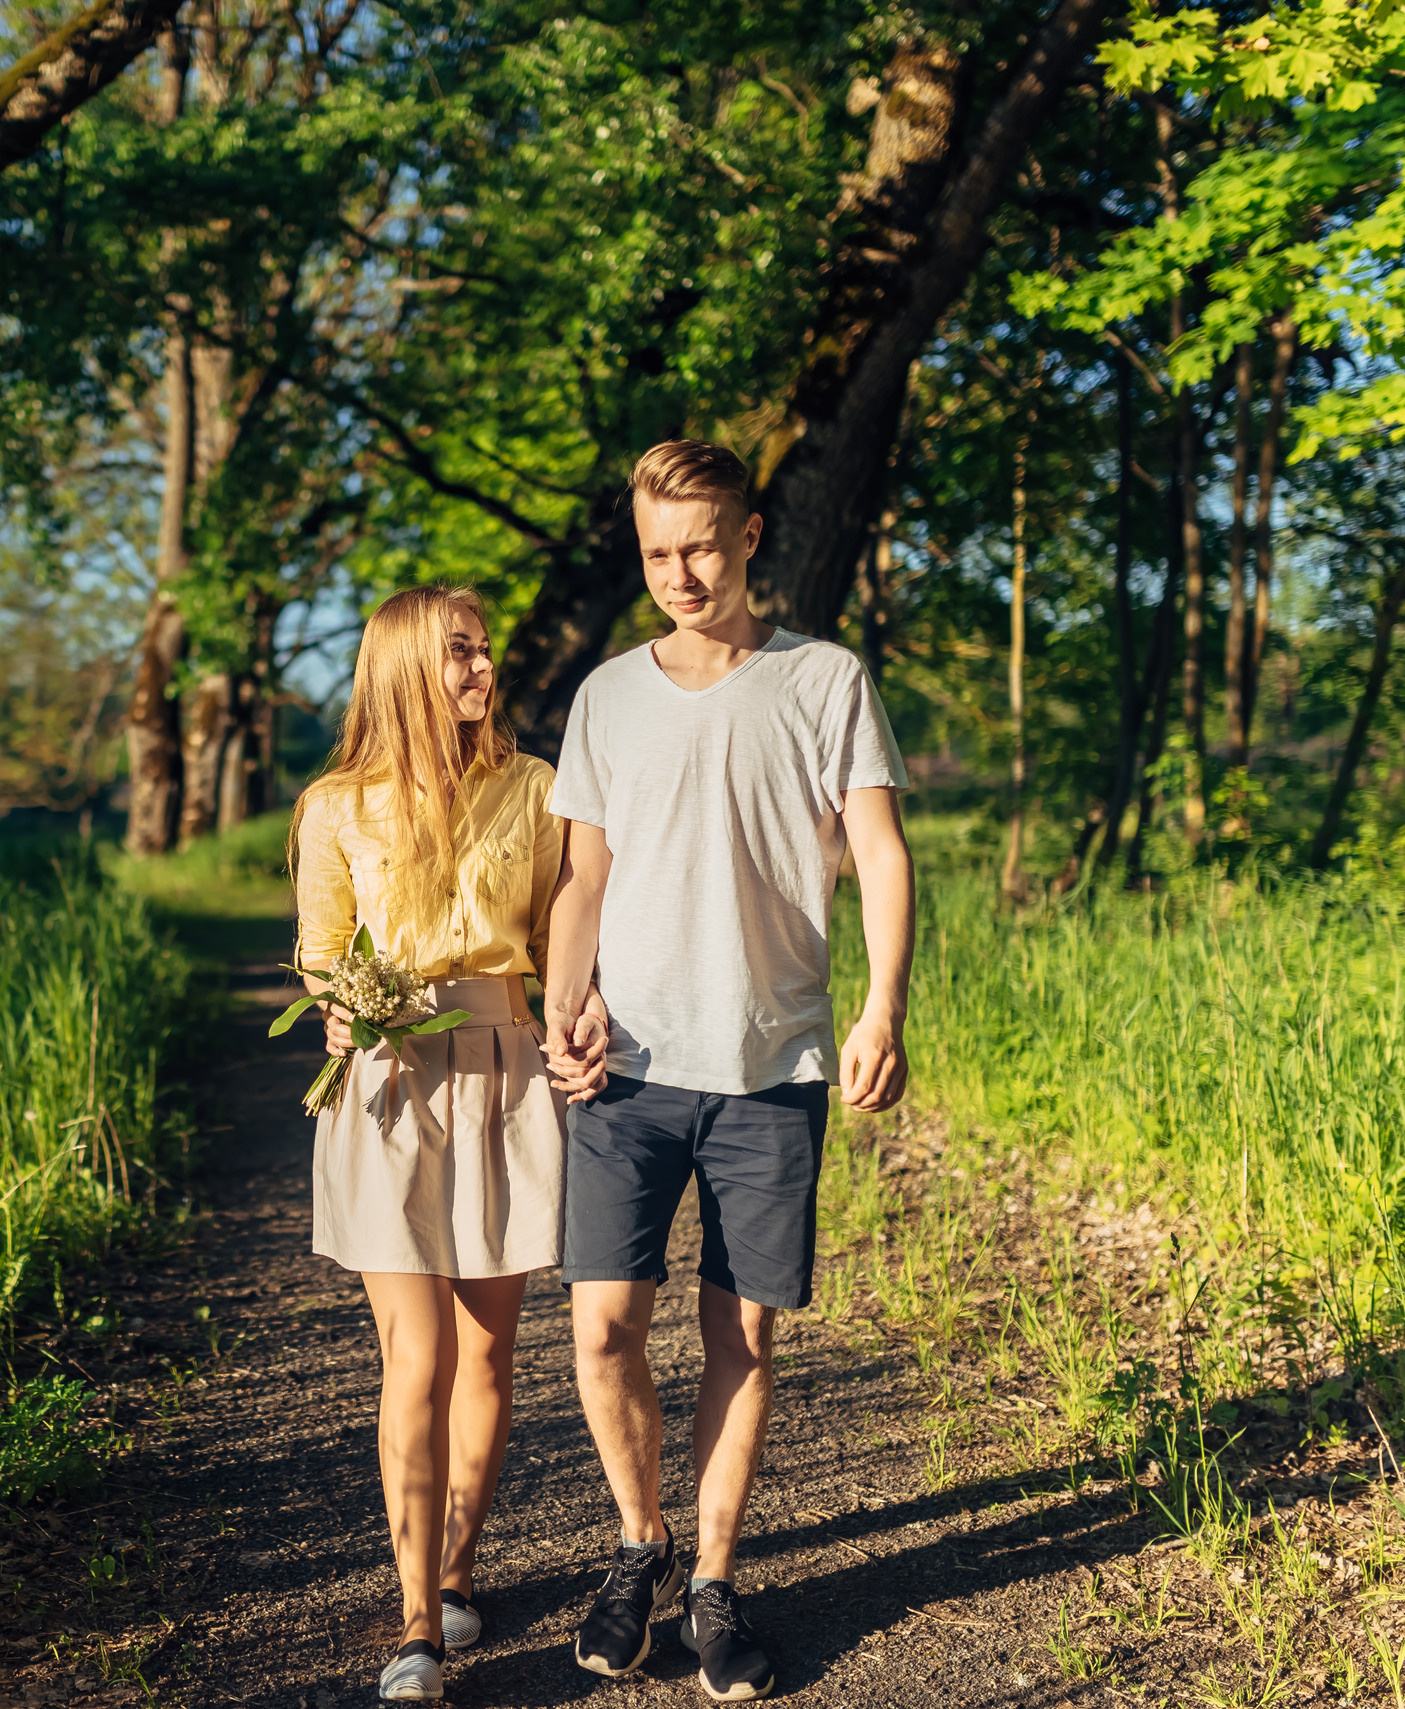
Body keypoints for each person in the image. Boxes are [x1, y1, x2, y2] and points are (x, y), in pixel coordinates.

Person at [538, 441, 916, 1703]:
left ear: (749, 536)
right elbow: (582, 872)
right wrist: (561, 1004)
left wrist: (882, 1006)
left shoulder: (822, 679)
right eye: (656, 552)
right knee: (602, 1331)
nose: (679, 573)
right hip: (626, 1068)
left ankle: (710, 1579)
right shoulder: (605, 695)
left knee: (739, 1331)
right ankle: (636, 1544)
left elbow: (880, 845)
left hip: (771, 1062)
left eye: (700, 545)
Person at [292, 584, 606, 1703]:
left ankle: (461, 1564)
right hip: (386, 1083)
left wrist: (579, 1014)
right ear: (400, 672)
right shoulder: (335, 804)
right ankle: (416, 1618)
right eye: (457, 653)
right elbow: (320, 945)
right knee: (414, 1356)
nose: (480, 668)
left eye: (481, 650)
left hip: (503, 1071)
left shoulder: (537, 788)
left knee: (485, 1349)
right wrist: (338, 998)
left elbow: (558, 936)